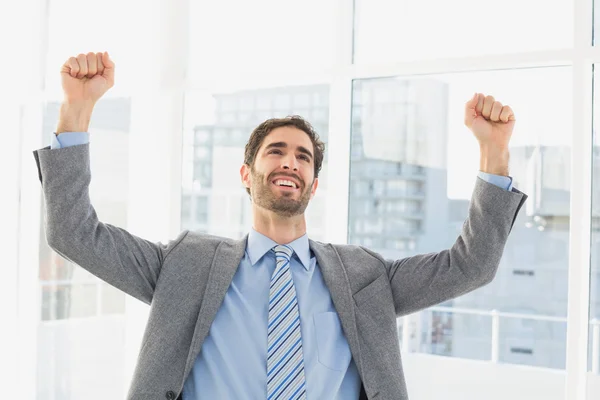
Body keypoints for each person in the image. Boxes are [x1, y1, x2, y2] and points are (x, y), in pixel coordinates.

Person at [33, 52, 528, 400]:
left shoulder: (367, 277)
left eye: (304, 157)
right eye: (276, 151)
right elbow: (75, 234)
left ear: (314, 184)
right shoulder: (182, 263)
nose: (291, 162)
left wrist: (494, 153)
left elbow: (472, 265)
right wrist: (77, 111)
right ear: (247, 175)